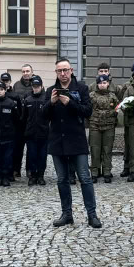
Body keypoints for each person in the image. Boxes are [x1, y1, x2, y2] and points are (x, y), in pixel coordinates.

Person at [46, 57, 102, 228]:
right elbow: (42, 115)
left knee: (85, 178)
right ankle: (66, 214)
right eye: (59, 71)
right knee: (62, 180)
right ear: (56, 73)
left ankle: (92, 215)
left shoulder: (82, 89)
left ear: (71, 71)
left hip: (77, 141)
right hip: (58, 142)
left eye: (65, 70)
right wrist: (51, 103)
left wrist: (70, 102)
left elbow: (87, 111)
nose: (63, 73)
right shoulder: (51, 90)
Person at [88, 73, 119, 183]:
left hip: (109, 126)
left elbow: (117, 109)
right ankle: (95, 172)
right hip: (95, 126)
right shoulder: (91, 95)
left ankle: (106, 171)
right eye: (100, 83)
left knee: (107, 149)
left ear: (108, 84)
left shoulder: (112, 96)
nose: (102, 85)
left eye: (104, 83)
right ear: (97, 84)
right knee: (95, 149)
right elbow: (87, 109)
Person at [23, 75, 50, 185]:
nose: (36, 88)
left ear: (41, 86)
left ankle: (40, 175)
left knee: (42, 156)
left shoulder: (46, 99)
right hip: (31, 133)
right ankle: (32, 176)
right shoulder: (27, 99)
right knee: (31, 155)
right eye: (34, 86)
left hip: (43, 133)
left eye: (38, 86)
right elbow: (24, 117)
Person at [10, 64, 35, 178]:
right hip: (18, 122)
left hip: (30, 121)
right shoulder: (16, 85)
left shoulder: (36, 84)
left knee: (30, 148)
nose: (25, 73)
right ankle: (16, 169)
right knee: (17, 148)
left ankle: (29, 169)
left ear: (32, 72)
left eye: (27, 71)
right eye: (24, 71)